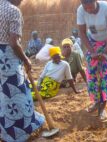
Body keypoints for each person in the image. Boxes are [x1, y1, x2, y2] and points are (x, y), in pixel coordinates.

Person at [0, 0, 45, 141]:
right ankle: (19, 133)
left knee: (3, 95)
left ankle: (4, 130)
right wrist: (26, 59)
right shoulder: (13, 11)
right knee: (17, 94)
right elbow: (14, 42)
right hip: (7, 60)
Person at [77, 0, 107, 122]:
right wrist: (92, 51)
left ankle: (103, 107)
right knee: (92, 75)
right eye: (86, 8)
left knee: (106, 75)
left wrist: (105, 52)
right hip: (92, 42)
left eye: (91, 8)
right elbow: (82, 33)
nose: (89, 11)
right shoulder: (80, 10)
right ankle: (96, 102)